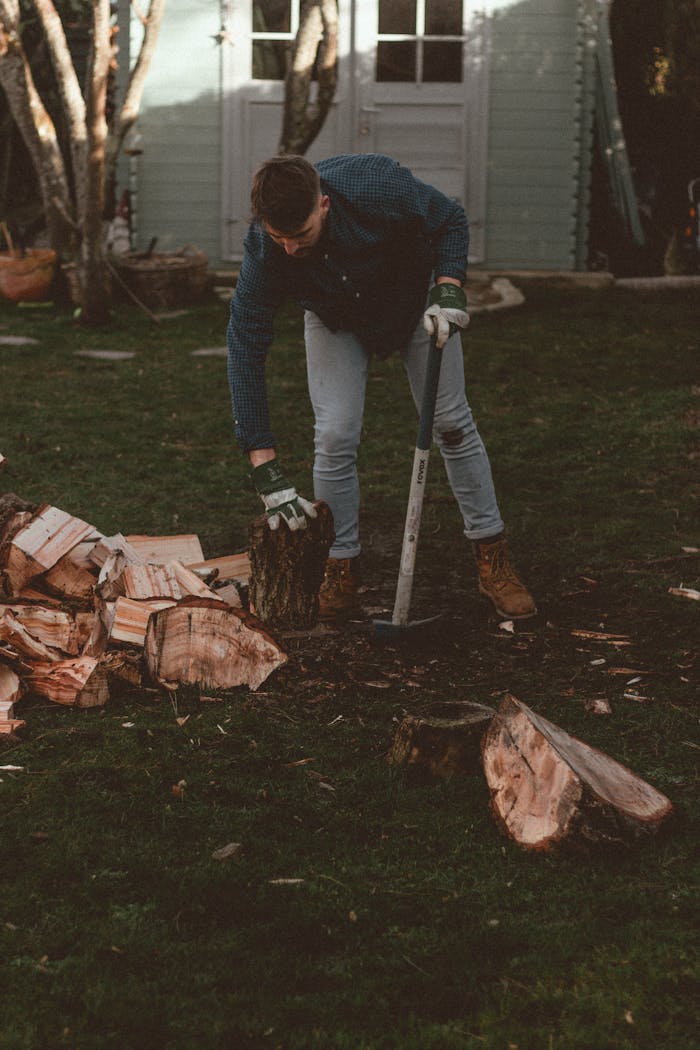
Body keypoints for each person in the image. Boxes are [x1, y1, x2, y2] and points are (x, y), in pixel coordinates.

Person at [227, 153, 536, 621]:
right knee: (334, 434)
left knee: (452, 423)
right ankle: (341, 567)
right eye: (279, 238)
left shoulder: (377, 186)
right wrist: (264, 467)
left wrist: (448, 286)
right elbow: (245, 344)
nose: (290, 249)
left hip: (415, 306)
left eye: (301, 235)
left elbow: (449, 218)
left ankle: (493, 558)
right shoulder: (264, 249)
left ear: (324, 204)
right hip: (336, 319)